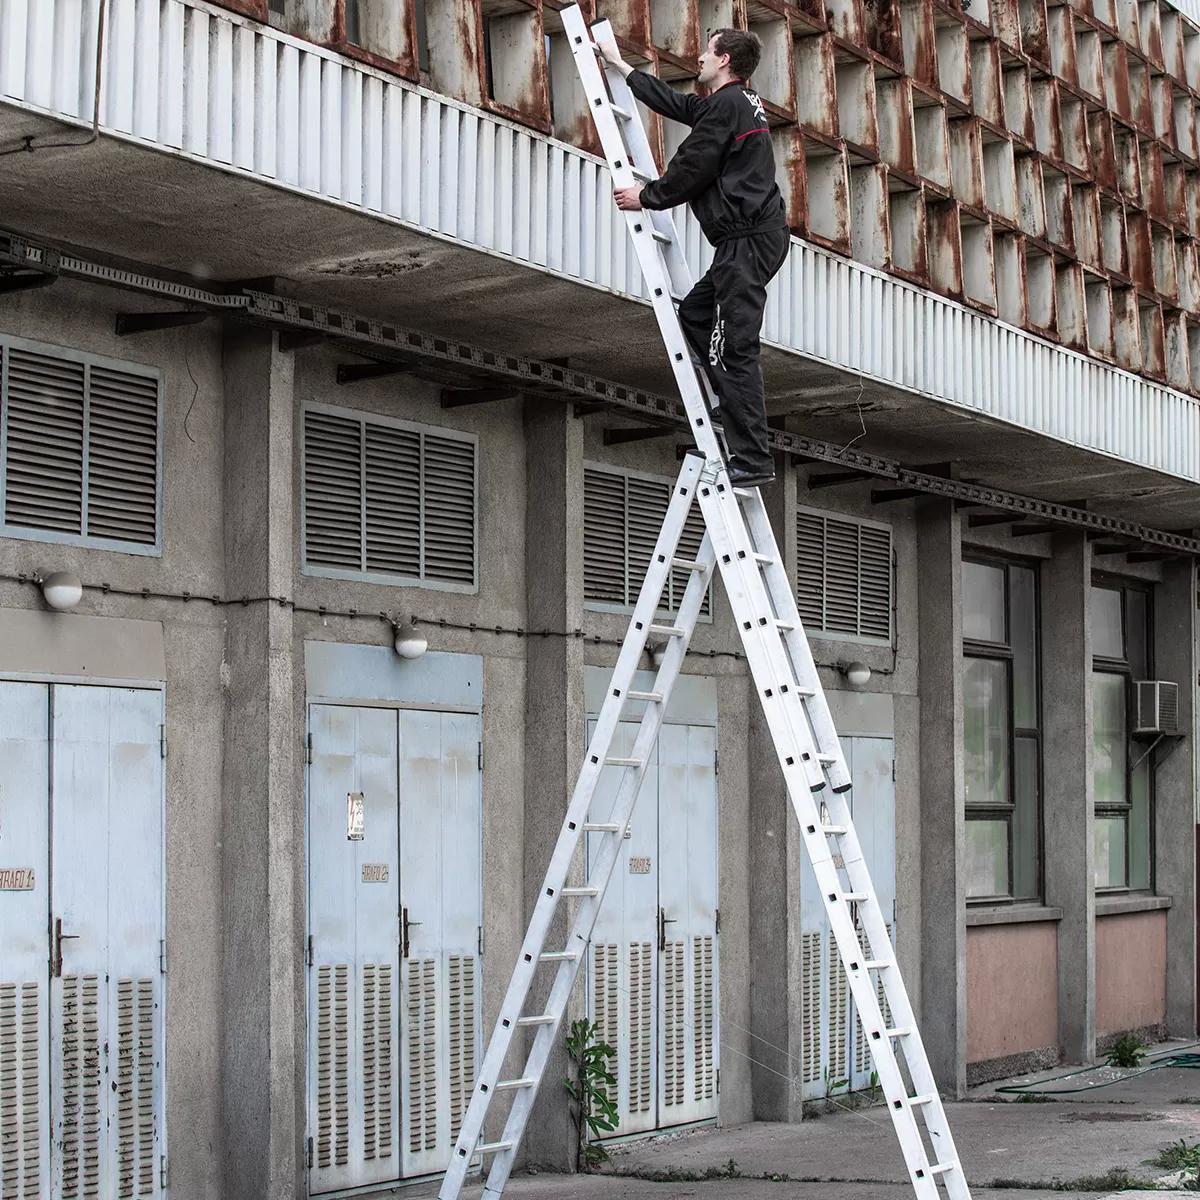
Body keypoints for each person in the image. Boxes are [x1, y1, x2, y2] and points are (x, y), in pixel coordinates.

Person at [597, 29, 789, 489]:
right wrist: (623, 70)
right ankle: (731, 400)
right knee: (697, 315)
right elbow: (681, 108)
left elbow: (693, 166)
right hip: (747, 241)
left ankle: (753, 460)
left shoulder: (728, 107)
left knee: (734, 351)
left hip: (746, 242)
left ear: (723, 60)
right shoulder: (737, 103)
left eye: (707, 51)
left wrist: (647, 196)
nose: (699, 57)